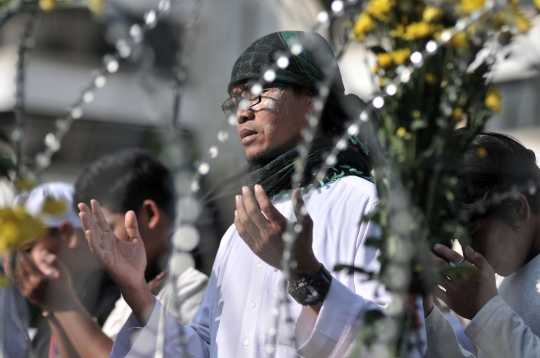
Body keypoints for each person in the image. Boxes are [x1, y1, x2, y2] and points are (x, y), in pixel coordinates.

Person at [79, 31, 425, 357]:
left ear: (313, 101)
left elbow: (404, 342)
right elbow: (206, 348)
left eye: (258, 92)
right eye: (236, 100)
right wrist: (138, 292)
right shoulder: (240, 229)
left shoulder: (364, 202)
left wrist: (308, 275)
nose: (242, 112)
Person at [424, 131, 540, 357]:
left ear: (516, 209)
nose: (469, 254)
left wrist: (485, 312)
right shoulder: (513, 277)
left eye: (472, 233)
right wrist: (426, 313)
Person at [14, 182, 119, 358]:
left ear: (68, 235)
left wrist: (59, 303)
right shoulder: (49, 319)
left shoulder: (120, 300)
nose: (21, 261)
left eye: (27, 248)